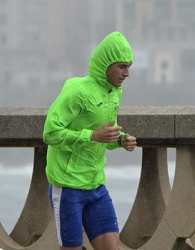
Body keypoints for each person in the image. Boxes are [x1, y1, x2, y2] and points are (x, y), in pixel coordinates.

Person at [43, 31, 138, 250]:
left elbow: (106, 134)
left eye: (129, 67)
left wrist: (120, 140)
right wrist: (92, 135)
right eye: (122, 66)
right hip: (68, 187)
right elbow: (50, 132)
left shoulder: (115, 93)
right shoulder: (76, 90)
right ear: (106, 64)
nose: (127, 74)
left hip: (96, 186)